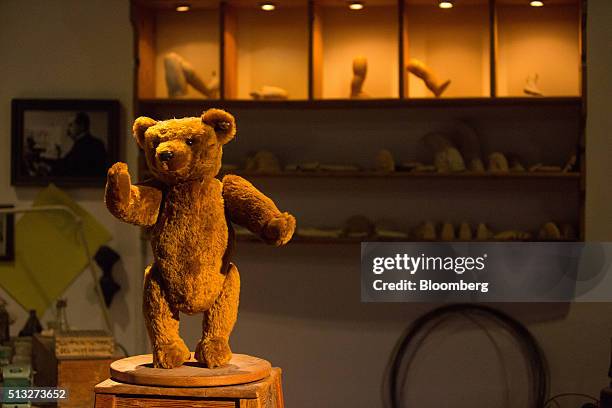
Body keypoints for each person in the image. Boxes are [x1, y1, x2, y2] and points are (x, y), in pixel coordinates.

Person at [53, 112, 108, 177]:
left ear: (81, 126)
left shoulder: (85, 145)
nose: (68, 129)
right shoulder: (94, 143)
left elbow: (70, 168)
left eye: (71, 125)